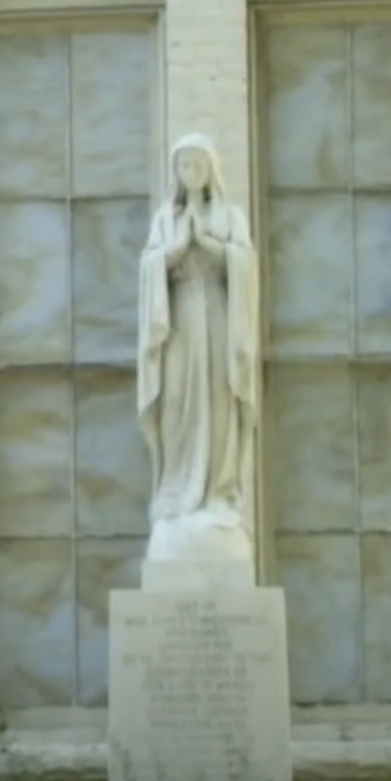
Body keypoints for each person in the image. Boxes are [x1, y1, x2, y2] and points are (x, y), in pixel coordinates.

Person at [136, 133, 259, 564]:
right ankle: (176, 488)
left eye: (197, 165)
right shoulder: (164, 218)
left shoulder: (230, 214)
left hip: (219, 313)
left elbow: (245, 261)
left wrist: (207, 243)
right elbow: (150, 265)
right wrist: (176, 249)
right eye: (183, 166)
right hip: (180, 319)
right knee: (177, 402)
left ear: (210, 170)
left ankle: (218, 491)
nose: (190, 173)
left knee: (220, 397)